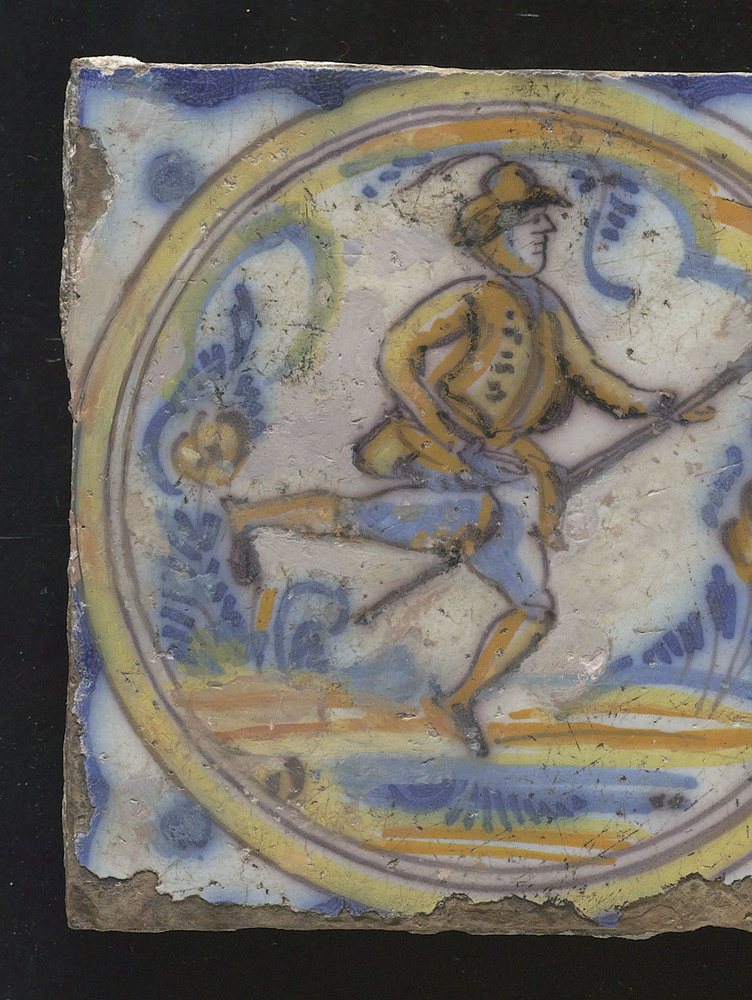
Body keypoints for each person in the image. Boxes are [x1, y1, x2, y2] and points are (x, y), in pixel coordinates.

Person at [227, 161, 674, 755]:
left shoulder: (546, 308)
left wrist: (650, 403)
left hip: (503, 471)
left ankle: (458, 701)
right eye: (531, 221)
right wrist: (440, 429)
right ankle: (246, 518)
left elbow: (590, 373)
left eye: (545, 220)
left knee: (533, 609)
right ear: (497, 235)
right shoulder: (477, 298)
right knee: (368, 521)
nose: (546, 230)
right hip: (443, 458)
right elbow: (397, 352)